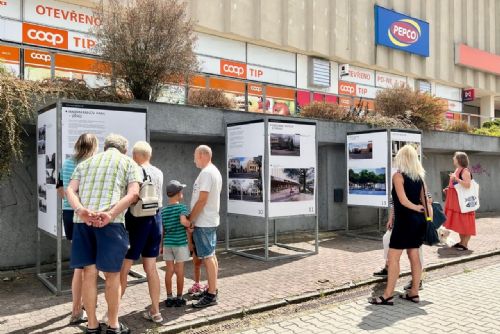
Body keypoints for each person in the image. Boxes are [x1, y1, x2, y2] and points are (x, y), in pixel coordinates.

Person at [66, 134, 142, 334]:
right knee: (112, 276)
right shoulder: (128, 163)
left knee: (88, 274)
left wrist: (80, 210)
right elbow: (133, 193)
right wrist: (110, 213)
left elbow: (70, 190)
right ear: (124, 150)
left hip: (83, 223)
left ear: (105, 147)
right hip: (111, 223)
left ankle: (92, 325)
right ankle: (113, 325)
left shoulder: (85, 163)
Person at [369, 145, 430, 305]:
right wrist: (422, 210)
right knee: (414, 256)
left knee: (393, 258)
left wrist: (415, 207)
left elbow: (402, 201)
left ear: (402, 159)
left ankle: (388, 295)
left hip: (405, 222)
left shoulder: (398, 176)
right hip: (418, 221)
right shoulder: (419, 177)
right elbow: (427, 201)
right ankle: (414, 293)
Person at [119, 141, 164, 324]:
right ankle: (155, 311)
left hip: (137, 221)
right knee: (151, 268)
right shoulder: (159, 172)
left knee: (124, 267)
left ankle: (112, 313)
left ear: (134, 156)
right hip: (156, 219)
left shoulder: (134, 171)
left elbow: (131, 198)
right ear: (150, 155)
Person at [59, 133, 98, 324]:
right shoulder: (89, 165)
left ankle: (81, 304)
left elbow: (61, 190)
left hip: (68, 212)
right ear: (93, 147)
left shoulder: (67, 163)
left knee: (80, 263)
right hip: (83, 214)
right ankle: (77, 308)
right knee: (83, 266)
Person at [190, 145, 222, 308]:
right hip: (209, 220)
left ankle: (211, 295)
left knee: (208, 257)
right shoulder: (212, 171)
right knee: (211, 256)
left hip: (204, 221)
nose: (194, 159)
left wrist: (191, 219)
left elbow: (202, 199)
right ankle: (212, 288)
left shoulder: (207, 173)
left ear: (202, 155)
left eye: (195, 156)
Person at [161, 180, 192, 307]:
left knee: (169, 271)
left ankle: (169, 297)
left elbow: (162, 230)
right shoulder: (182, 208)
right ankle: (179, 297)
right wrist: (191, 225)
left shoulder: (163, 211)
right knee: (180, 271)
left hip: (168, 243)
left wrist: (161, 245)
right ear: (179, 194)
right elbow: (183, 222)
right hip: (179, 243)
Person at [443, 151, 476, 251]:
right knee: (460, 222)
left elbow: (467, 185)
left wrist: (456, 179)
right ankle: (461, 242)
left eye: (455, 157)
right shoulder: (457, 170)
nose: (453, 158)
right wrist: (448, 189)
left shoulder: (465, 171)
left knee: (465, 221)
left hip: (463, 202)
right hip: (456, 202)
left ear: (459, 160)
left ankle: (465, 244)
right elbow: (457, 186)